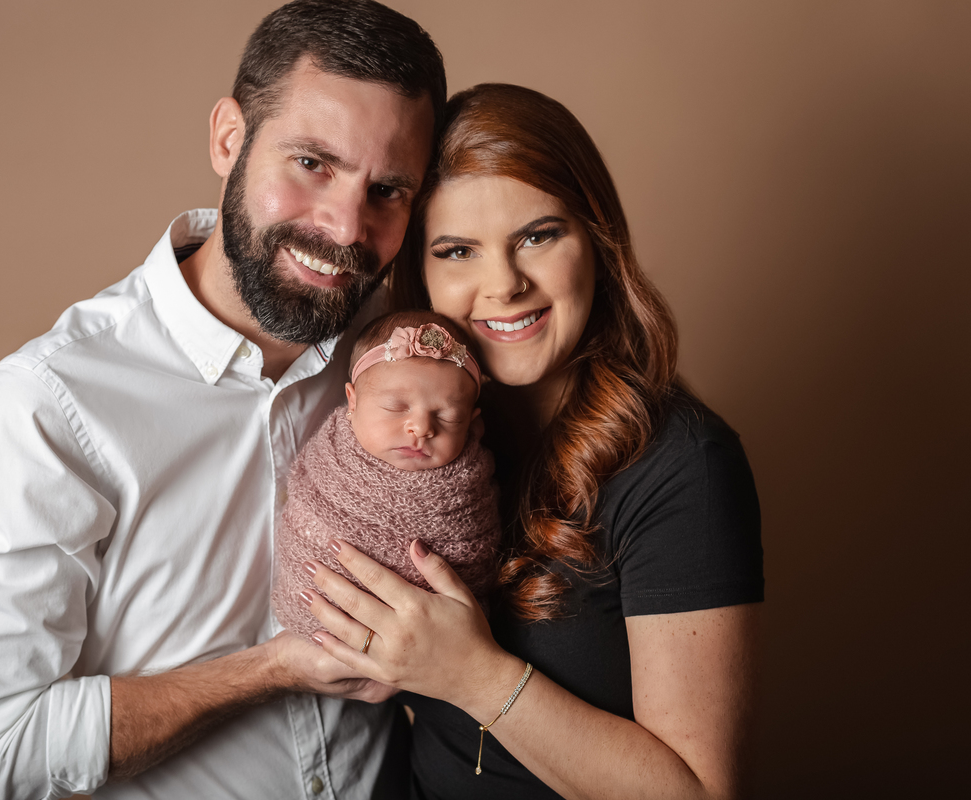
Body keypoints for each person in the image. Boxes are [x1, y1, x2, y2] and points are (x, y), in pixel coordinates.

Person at [0, 2, 444, 798]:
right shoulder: (55, 401)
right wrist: (269, 670)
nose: (346, 227)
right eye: (312, 163)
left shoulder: (406, 352)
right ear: (229, 139)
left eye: (388, 190)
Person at [301, 83, 764, 799]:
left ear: (597, 242)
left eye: (538, 236)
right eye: (458, 250)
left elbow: (700, 793)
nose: (504, 284)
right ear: (420, 272)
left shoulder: (683, 465)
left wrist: (473, 676)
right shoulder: (427, 439)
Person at [272, 310, 501, 640]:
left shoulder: (471, 490)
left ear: (471, 422)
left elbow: (475, 564)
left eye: (448, 417)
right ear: (352, 402)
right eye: (396, 407)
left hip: (435, 644)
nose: (421, 428)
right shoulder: (329, 463)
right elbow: (305, 527)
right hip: (315, 638)